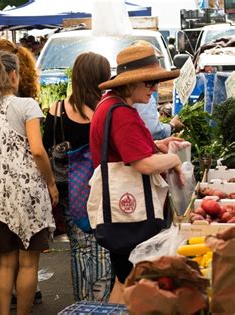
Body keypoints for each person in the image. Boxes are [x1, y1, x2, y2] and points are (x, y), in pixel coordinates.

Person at [91, 45, 184, 301]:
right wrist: (173, 158)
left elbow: (123, 150)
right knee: (131, 282)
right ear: (131, 83)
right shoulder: (121, 114)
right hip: (130, 214)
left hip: (123, 211)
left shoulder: (110, 104)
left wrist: (156, 145)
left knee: (124, 280)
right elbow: (142, 164)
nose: (154, 89)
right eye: (150, 82)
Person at [0, 51, 58, 315]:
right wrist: (51, 183)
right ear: (12, 75)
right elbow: (38, 151)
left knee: (6, 262)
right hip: (28, 191)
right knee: (29, 262)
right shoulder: (27, 105)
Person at [42, 52, 113, 302]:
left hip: (69, 189)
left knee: (78, 248)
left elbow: (45, 147)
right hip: (102, 188)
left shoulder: (57, 108)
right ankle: (102, 303)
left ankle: (82, 303)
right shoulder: (104, 110)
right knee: (102, 246)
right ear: (100, 78)